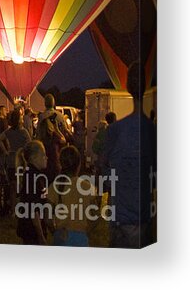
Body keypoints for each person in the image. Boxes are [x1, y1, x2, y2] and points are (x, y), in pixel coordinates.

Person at [103, 62, 156, 248]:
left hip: (120, 219)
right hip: (142, 220)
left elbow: (105, 171)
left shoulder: (114, 131)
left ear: (128, 86)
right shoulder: (152, 131)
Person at [47, 145, 97, 247]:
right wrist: (85, 232)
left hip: (61, 235)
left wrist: (54, 232)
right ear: (78, 165)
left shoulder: (54, 186)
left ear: (60, 164)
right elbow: (95, 216)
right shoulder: (87, 187)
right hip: (80, 238)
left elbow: (47, 216)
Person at [15, 140, 49, 245]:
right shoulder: (33, 177)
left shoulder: (36, 175)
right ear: (34, 158)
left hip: (31, 227)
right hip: (31, 230)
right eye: (43, 155)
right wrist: (40, 235)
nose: (46, 157)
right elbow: (34, 209)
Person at [0, 109, 31, 210]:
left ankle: (13, 208)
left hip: (11, 160)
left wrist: (6, 151)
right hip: (21, 161)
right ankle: (21, 207)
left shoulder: (9, 132)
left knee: (12, 186)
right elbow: (29, 144)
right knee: (22, 186)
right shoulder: (24, 132)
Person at [37, 109, 67, 182]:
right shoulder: (53, 136)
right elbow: (64, 141)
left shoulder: (40, 139)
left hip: (44, 166)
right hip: (54, 165)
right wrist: (57, 129)